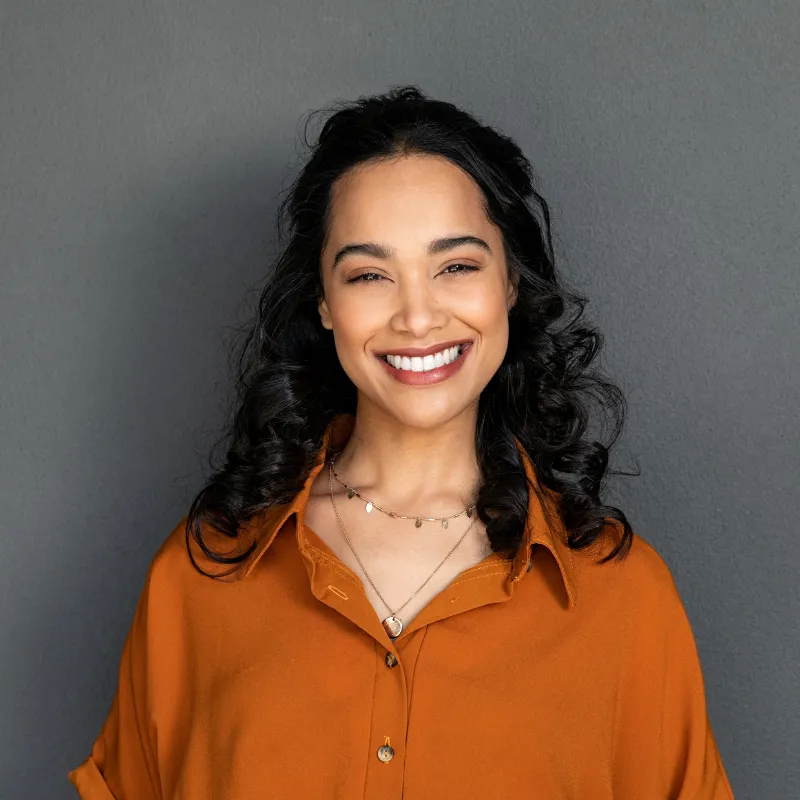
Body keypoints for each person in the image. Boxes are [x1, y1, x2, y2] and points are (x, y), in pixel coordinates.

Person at [68, 85, 734, 799]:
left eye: (456, 266)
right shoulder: (197, 580)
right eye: (369, 275)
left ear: (510, 280)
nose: (418, 316)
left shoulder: (625, 602)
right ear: (324, 301)